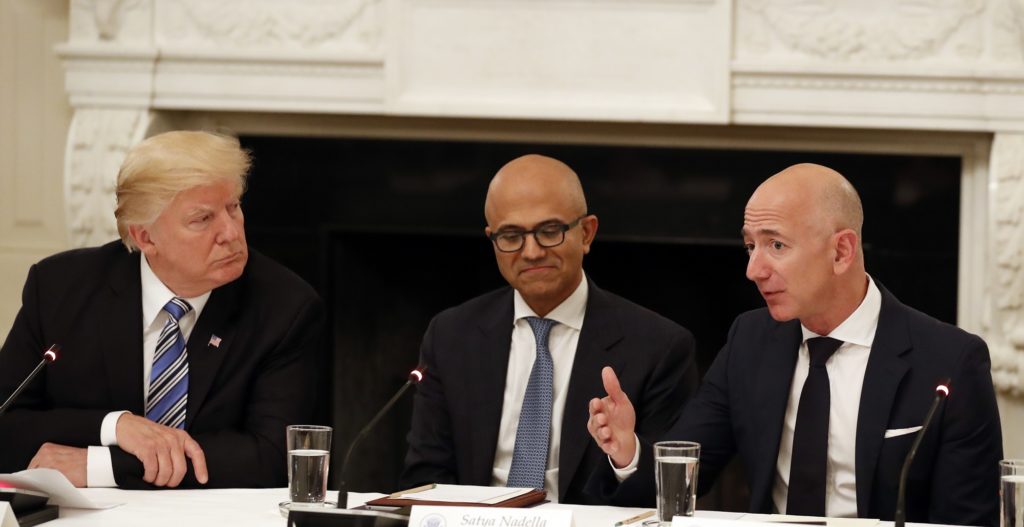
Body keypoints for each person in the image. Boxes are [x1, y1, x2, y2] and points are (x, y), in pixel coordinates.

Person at [587, 163, 1003, 526]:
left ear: (841, 251)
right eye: (750, 246)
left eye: (776, 245)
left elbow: (967, 520)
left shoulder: (951, 360)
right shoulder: (749, 341)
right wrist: (629, 453)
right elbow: (685, 474)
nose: (753, 270)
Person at [0, 131, 325, 490]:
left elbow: (274, 456)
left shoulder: (285, 307)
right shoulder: (60, 289)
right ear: (145, 237)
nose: (231, 232)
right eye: (203, 219)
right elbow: (6, 421)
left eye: (233, 207)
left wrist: (102, 465)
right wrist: (115, 426)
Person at [401, 154, 698, 504]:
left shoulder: (657, 346)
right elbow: (426, 475)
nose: (531, 252)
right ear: (491, 239)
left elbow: (671, 496)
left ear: (586, 233)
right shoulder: (451, 334)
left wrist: (626, 456)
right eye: (511, 235)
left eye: (549, 231)